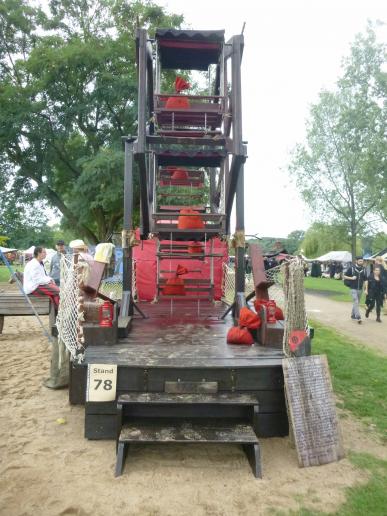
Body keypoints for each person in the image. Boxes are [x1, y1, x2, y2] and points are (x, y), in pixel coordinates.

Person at [343, 256, 366, 324]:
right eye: (360, 261)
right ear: (356, 261)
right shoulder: (352, 268)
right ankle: (358, 317)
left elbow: (365, 279)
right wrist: (351, 278)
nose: (361, 262)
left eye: (362, 261)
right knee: (356, 301)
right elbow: (344, 276)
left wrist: (366, 289)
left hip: (360, 289)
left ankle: (353, 315)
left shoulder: (364, 269)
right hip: (353, 288)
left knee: (356, 302)